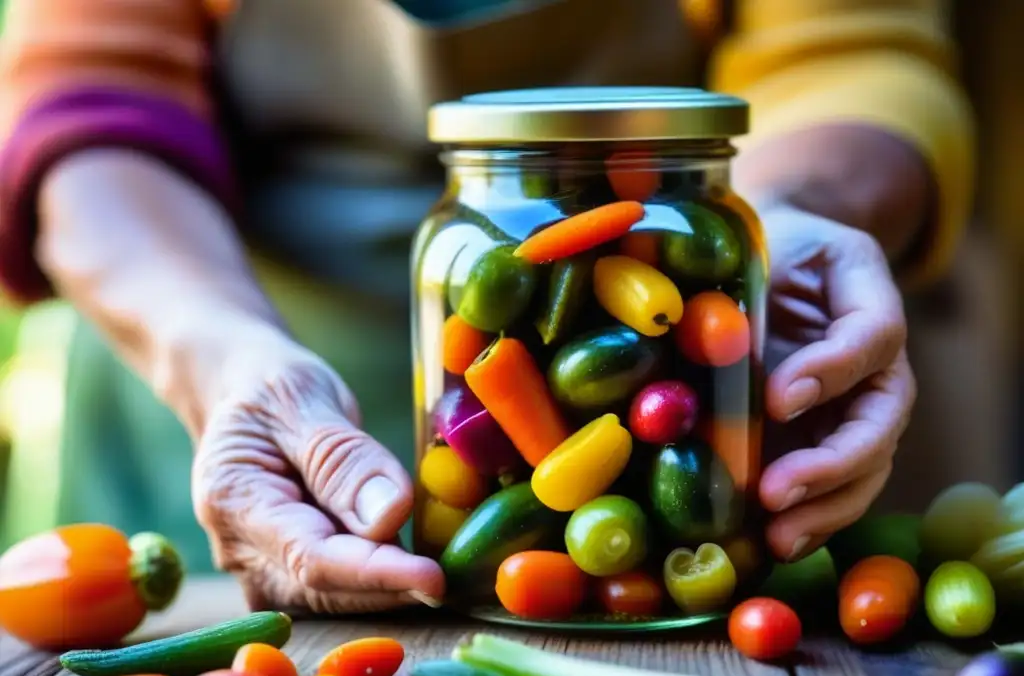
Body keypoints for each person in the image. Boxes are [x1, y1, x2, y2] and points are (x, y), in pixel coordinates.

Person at [0, 0, 974, 614]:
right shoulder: (462, 244)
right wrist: (216, 355)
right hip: (221, 335)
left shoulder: (690, 242)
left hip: (686, 371)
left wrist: (785, 220)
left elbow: (849, 51)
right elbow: (92, 94)